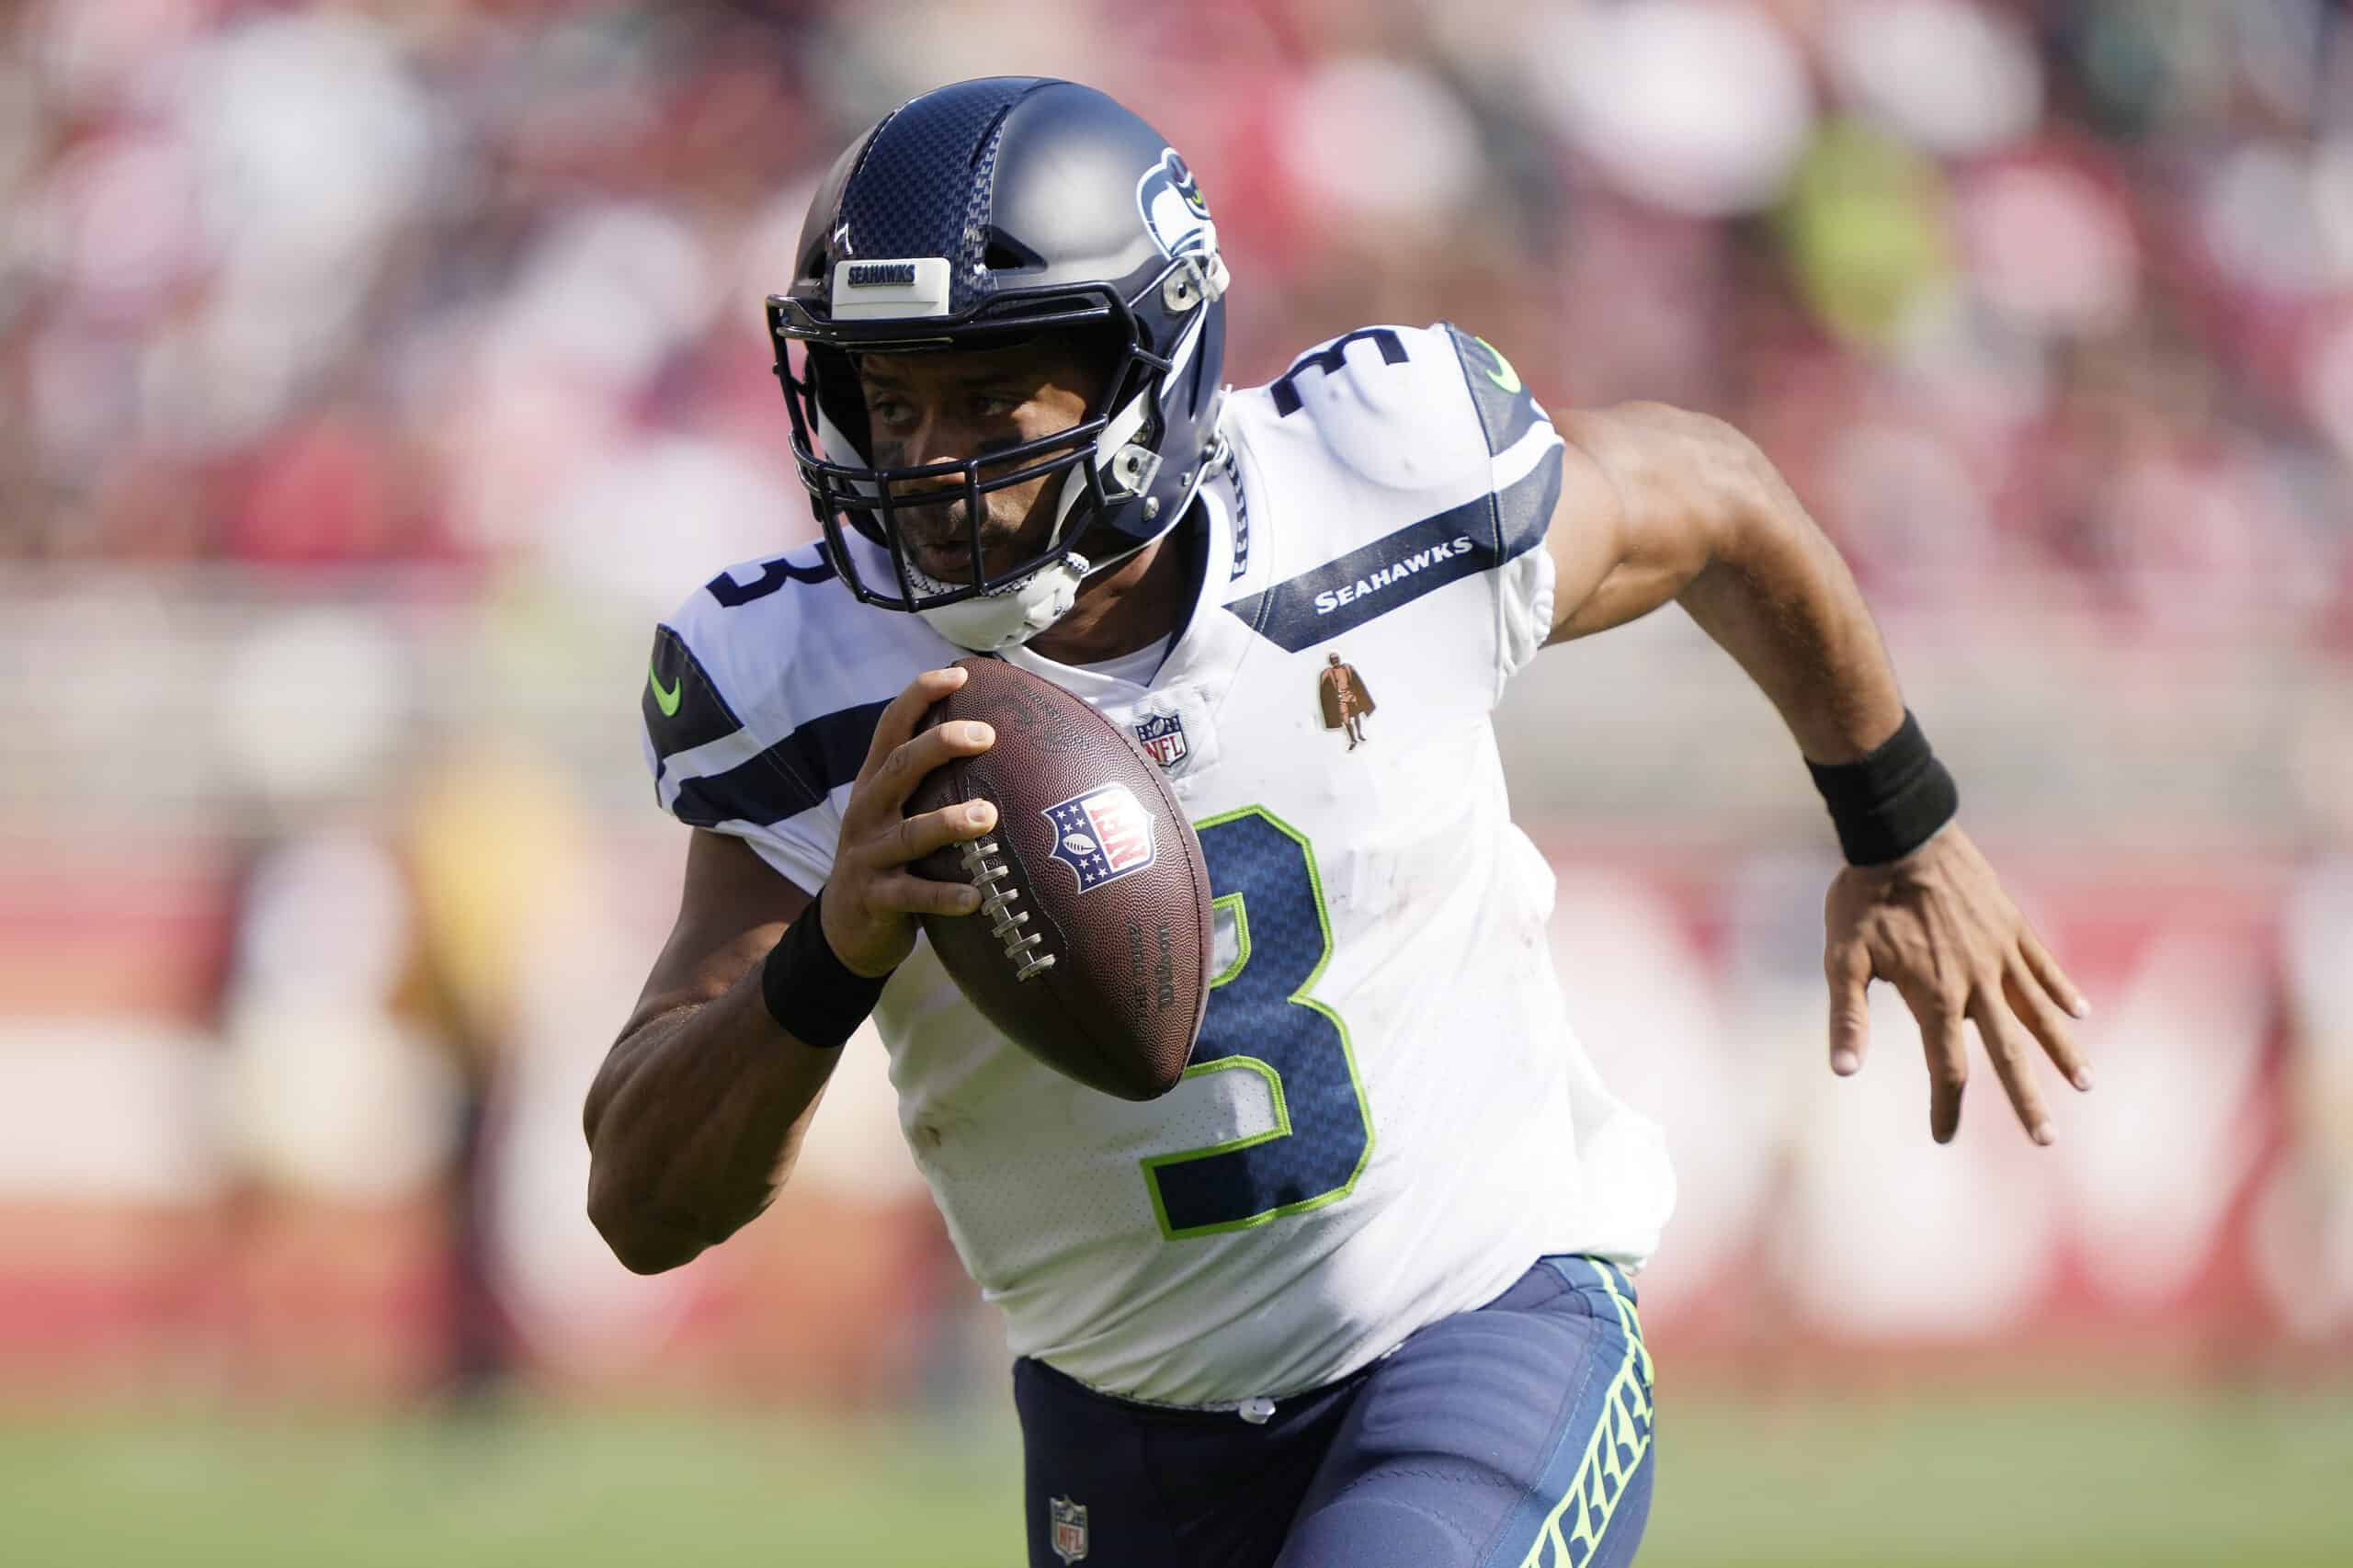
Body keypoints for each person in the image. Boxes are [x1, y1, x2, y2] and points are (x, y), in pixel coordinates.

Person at [583, 77, 2092, 1568]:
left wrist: (1904, 829)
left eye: (987, 395)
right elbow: (643, 1204)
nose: (925, 463)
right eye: (887, 400)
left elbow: (1717, 496)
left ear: (1143, 375)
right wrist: (824, 962)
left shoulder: (1374, 485)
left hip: (1475, 1331)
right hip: (1123, 1435)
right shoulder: (801, 685)